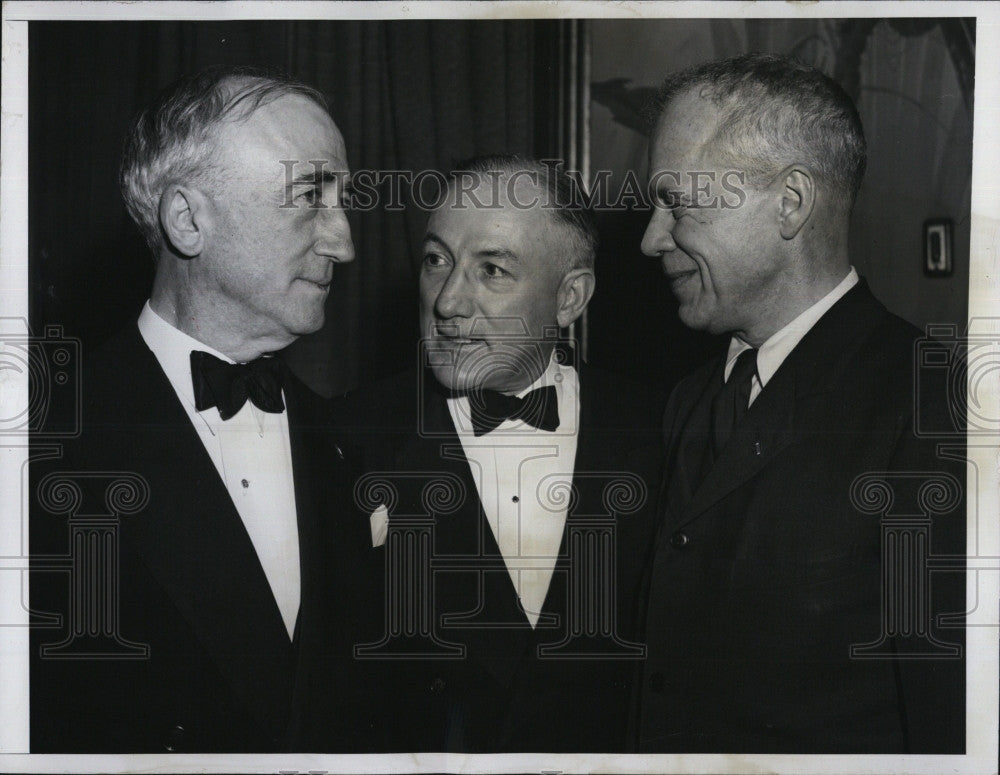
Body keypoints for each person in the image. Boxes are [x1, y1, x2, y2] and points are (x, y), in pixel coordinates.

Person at [29, 66, 373, 753]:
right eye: (310, 197)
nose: (345, 242)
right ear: (189, 219)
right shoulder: (41, 443)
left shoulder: (347, 441)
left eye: (343, 200)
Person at [636, 53, 965, 753]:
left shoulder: (934, 408)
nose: (650, 239)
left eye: (678, 203)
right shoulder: (687, 401)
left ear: (790, 202)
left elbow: (952, 727)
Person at [302, 156, 664, 752]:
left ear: (571, 297)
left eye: (492, 270)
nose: (446, 303)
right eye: (436, 261)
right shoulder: (344, 436)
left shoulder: (666, 430)